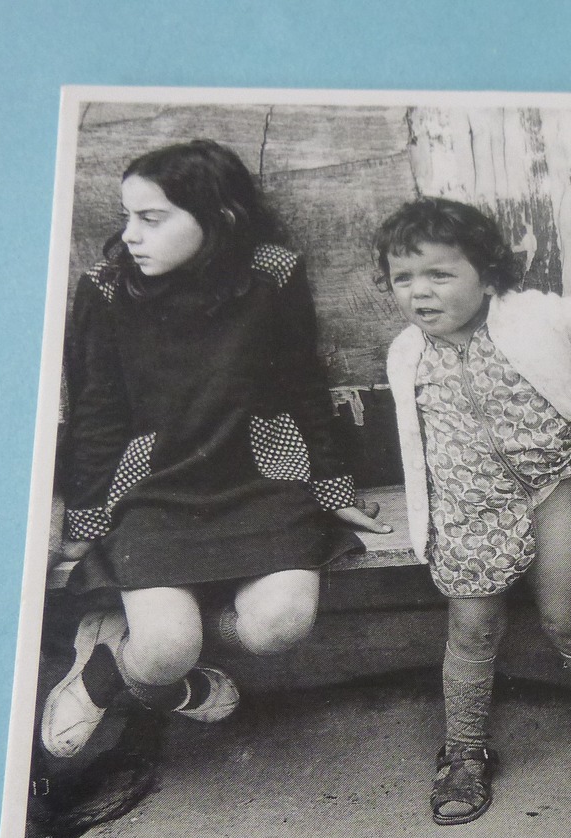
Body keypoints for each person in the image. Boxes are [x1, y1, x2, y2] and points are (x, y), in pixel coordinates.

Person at [43, 139, 390, 761]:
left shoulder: (272, 275)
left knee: (279, 627)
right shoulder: (106, 290)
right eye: (128, 217)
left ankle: (151, 649)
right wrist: (88, 522)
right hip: (156, 489)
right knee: (165, 651)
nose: (131, 237)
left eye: (152, 219)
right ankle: (119, 663)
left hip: (261, 477)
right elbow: (97, 413)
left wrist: (334, 490)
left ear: (220, 218)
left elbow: (304, 385)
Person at [378, 197, 571, 826]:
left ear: (486, 273)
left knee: (567, 614)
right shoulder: (405, 353)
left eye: (440, 274)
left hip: (548, 490)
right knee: (472, 631)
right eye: (404, 278)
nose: (420, 292)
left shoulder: (532, 315)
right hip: (468, 511)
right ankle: (466, 750)